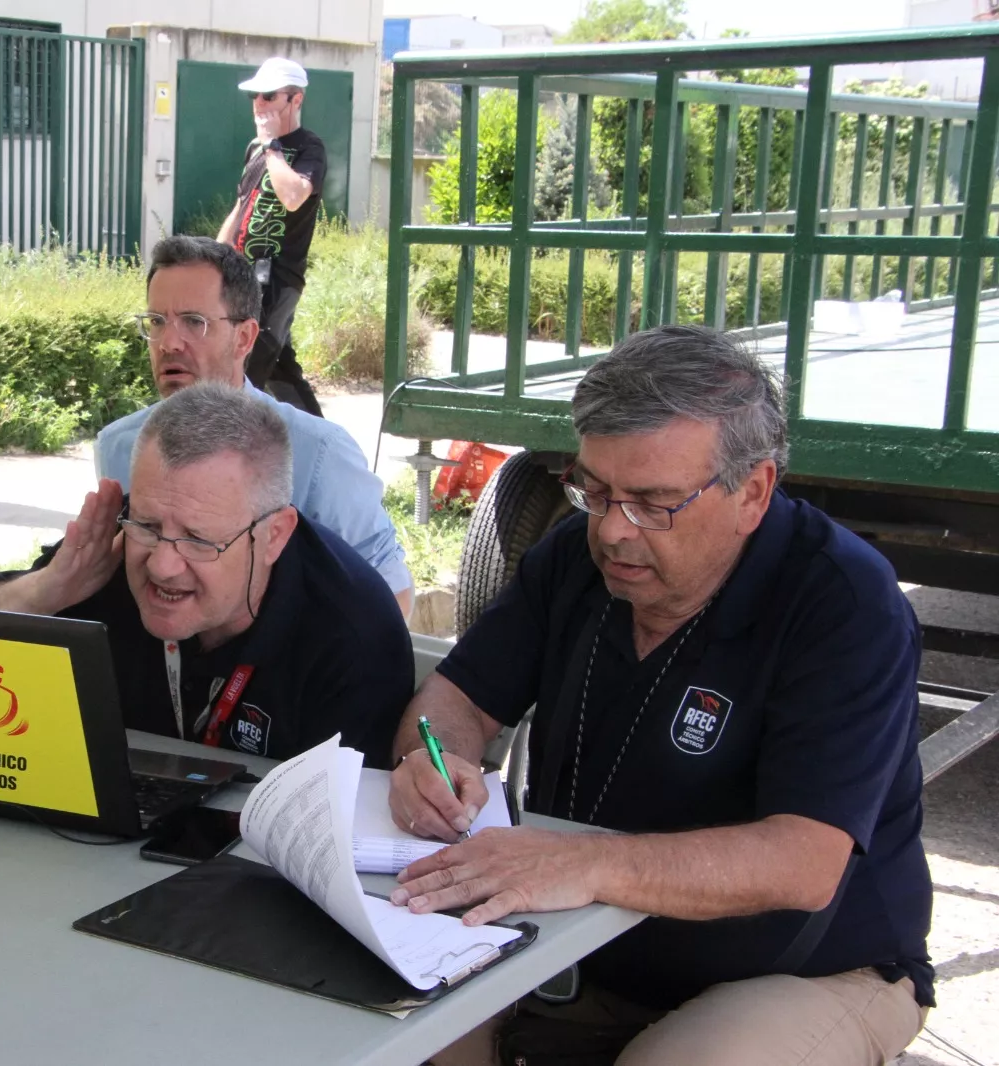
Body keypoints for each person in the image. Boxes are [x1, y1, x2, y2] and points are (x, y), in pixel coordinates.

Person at [386, 326, 933, 1065]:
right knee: (385, 1036)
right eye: (595, 490)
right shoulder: (573, 560)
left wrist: (583, 864)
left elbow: (803, 864)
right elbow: (455, 696)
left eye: (653, 502)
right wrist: (435, 754)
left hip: (809, 968)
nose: (613, 531)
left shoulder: (843, 602)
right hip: (581, 942)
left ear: (754, 492)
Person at [0, 383, 412, 764]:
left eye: (199, 540)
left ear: (274, 535)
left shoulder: (354, 635)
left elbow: (346, 841)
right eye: (149, 527)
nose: (162, 565)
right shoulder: (107, 551)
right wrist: (42, 592)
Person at [96, 235, 414, 613]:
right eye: (156, 322)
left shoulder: (319, 454)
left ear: (244, 337)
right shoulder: (118, 447)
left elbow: (392, 595)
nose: (168, 343)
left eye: (194, 322)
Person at [216, 56, 326, 417]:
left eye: (268, 95)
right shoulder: (256, 148)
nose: (259, 104)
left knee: (243, 369)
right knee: (280, 371)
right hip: (242, 275)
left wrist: (272, 146)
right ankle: (323, 445)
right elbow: (241, 206)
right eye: (255, 96)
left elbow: (293, 197)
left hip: (277, 279)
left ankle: (225, 452)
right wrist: (213, 258)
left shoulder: (309, 148)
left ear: (296, 100)